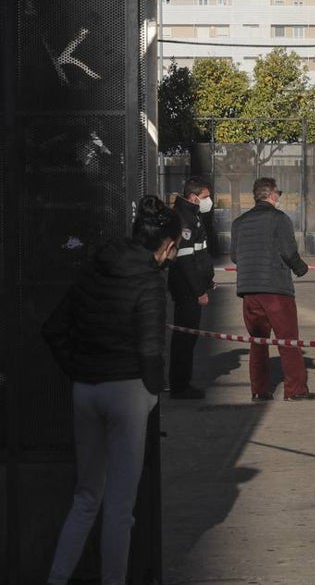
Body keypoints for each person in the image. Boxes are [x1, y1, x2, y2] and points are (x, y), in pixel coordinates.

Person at [42, 195, 181, 585]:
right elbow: (151, 352)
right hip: (128, 392)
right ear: (167, 245)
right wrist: (153, 392)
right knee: (120, 507)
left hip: (86, 388)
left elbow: (53, 328)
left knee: (86, 498)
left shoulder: (96, 267)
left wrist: (80, 370)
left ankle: (57, 578)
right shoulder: (150, 282)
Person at [230, 177, 315, 401]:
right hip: (275, 288)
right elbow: (288, 251)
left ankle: (259, 390)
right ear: (272, 195)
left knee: (258, 342)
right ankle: (295, 390)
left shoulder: (239, 222)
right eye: (277, 193)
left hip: (248, 289)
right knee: (288, 340)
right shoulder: (279, 219)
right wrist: (301, 268)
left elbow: (234, 256)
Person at [167, 176, 215, 400]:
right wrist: (199, 291)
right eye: (206, 197)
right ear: (194, 197)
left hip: (192, 286)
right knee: (185, 338)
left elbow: (200, 255)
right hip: (187, 290)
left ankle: (181, 383)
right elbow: (186, 261)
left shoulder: (192, 216)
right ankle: (179, 386)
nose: (209, 201)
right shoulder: (185, 219)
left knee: (188, 338)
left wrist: (207, 280)